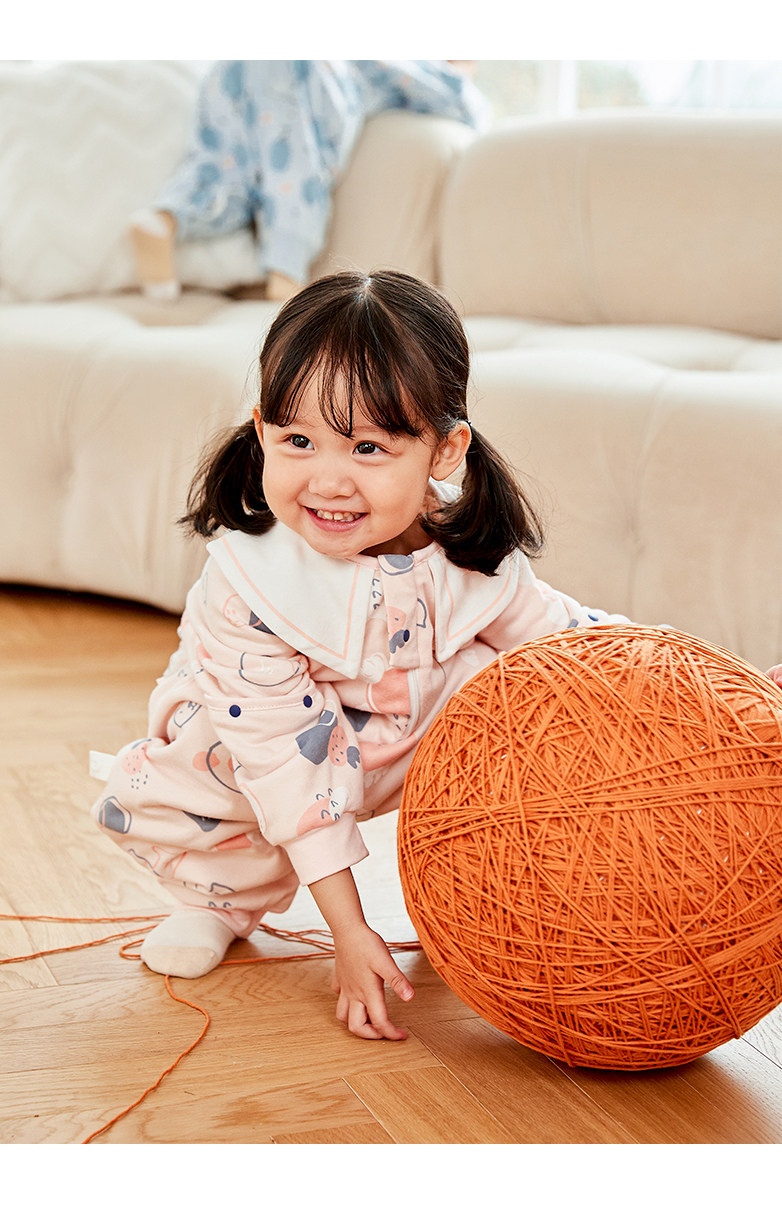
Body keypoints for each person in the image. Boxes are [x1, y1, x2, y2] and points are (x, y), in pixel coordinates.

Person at [93, 268, 778, 1043]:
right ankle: (216, 901)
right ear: (261, 432)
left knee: (530, 681)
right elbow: (285, 764)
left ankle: (482, 892)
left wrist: (731, 692)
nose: (328, 479)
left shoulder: (464, 554)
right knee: (223, 773)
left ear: (445, 450)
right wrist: (350, 933)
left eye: (368, 447)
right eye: (297, 441)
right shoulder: (249, 585)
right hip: (252, 753)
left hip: (405, 742)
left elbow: (575, 643)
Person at [129, 60, 490, 302]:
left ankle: (168, 217)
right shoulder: (407, 60)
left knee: (223, 163)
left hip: (232, 70)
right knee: (297, 165)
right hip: (297, 71)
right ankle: (286, 273)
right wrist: (462, 80)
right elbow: (458, 97)